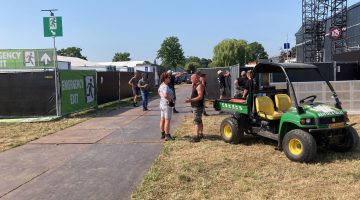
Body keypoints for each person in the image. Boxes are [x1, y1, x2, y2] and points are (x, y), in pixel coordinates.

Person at [185, 74, 205, 143]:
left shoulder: (199, 86)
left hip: (197, 106)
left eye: (191, 78)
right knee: (199, 120)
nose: (190, 80)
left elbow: (200, 97)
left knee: (196, 121)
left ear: (195, 79)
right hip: (196, 106)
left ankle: (196, 136)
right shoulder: (196, 85)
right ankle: (201, 134)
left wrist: (190, 100)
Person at [158, 72, 175, 141]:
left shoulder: (161, 85)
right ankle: (167, 135)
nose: (170, 78)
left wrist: (162, 97)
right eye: (169, 77)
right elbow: (165, 95)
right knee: (167, 120)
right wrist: (171, 100)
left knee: (162, 119)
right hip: (167, 105)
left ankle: (163, 133)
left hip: (162, 104)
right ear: (165, 78)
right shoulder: (165, 86)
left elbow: (158, 91)